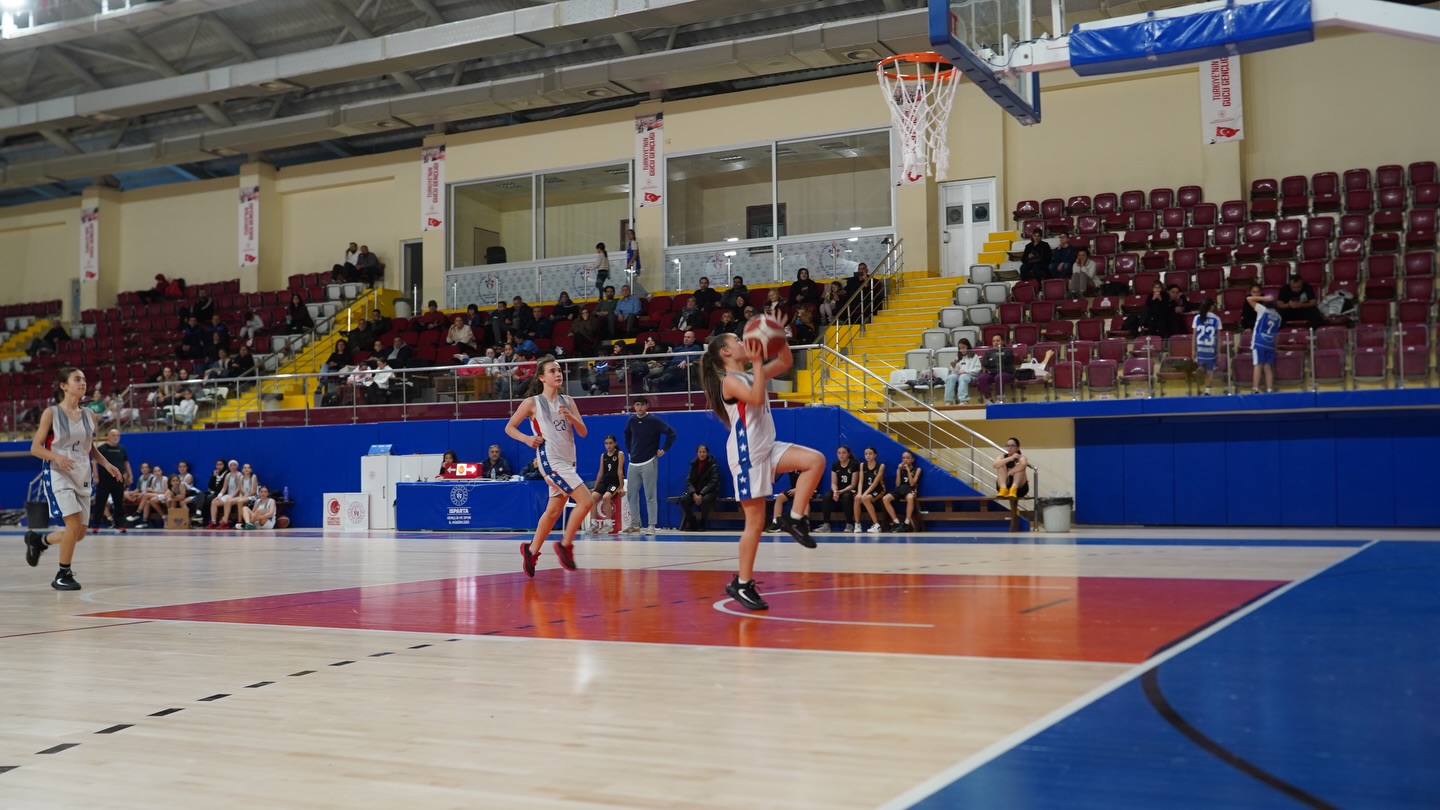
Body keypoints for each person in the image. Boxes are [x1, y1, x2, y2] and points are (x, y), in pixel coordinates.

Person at [699, 328, 825, 611]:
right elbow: (755, 399)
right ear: (726, 352)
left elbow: (784, 363)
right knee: (755, 523)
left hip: (767, 446)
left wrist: (778, 336)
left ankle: (793, 518)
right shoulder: (729, 381)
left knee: (815, 460)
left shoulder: (746, 375)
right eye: (738, 341)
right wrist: (757, 362)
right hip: (747, 456)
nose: (745, 343)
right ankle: (742, 583)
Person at [24, 368, 122, 591]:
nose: (83, 383)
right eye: (77, 379)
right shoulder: (51, 413)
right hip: (58, 473)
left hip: (82, 473)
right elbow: (35, 448)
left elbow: (89, 447)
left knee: (78, 534)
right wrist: (56, 456)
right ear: (63, 386)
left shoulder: (89, 415)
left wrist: (106, 464)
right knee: (73, 524)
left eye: (85, 379)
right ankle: (62, 574)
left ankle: (39, 541)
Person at [507, 355, 594, 577]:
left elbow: (583, 432)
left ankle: (531, 550)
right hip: (550, 461)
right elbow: (510, 427)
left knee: (554, 510)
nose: (558, 374)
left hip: (568, 460)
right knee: (586, 500)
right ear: (542, 377)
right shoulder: (532, 403)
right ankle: (565, 545)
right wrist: (527, 439)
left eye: (559, 370)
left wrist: (571, 418)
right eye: (552, 371)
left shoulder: (568, 401)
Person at [622, 396, 676, 534]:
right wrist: (630, 451)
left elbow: (671, 434)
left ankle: (652, 525)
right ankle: (635, 524)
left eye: (642, 405)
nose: (640, 407)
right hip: (633, 462)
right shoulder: (631, 420)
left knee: (650, 495)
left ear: (647, 406)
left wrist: (663, 450)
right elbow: (627, 435)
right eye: (637, 404)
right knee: (631, 494)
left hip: (648, 461)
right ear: (634, 406)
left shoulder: (654, 421)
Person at [90, 428, 132, 533]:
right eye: (113, 435)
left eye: (117, 435)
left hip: (118, 480)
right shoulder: (102, 448)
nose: (115, 437)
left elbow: (126, 463)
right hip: (104, 480)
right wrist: (95, 476)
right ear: (108, 436)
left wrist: (130, 475)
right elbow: (94, 461)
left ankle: (120, 525)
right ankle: (96, 524)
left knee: (119, 503)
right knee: (100, 502)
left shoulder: (122, 449)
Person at [678, 444, 720, 532]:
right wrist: (693, 493)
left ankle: (703, 524)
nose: (702, 454)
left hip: (710, 491)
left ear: (707, 453)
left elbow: (713, 483)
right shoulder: (693, 465)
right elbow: (689, 481)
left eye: (704, 452)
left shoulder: (713, 465)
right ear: (697, 453)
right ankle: (693, 524)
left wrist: (701, 494)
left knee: (705, 500)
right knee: (683, 500)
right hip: (695, 492)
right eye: (700, 452)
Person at [818, 445, 860, 533]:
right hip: (838, 489)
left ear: (848, 454)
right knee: (827, 496)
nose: (841, 455)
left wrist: (840, 492)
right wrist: (835, 491)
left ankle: (849, 524)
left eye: (844, 453)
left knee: (846, 497)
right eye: (839, 453)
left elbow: (853, 484)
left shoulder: (854, 464)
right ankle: (826, 525)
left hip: (850, 489)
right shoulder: (835, 464)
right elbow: (833, 483)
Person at [1247, 284, 1281, 394]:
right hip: (1270, 343)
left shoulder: (1263, 310)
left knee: (1258, 365)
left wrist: (1263, 298)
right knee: (1267, 367)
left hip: (1259, 341)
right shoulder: (1279, 317)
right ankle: (1270, 389)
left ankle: (1255, 389)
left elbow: (1249, 298)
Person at [589, 435, 626, 532]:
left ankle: (608, 524)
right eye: (606, 443)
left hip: (615, 483)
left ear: (615, 443)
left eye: (610, 443)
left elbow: (620, 471)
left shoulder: (619, 453)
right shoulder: (603, 456)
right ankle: (593, 523)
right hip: (606, 481)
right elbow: (600, 472)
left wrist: (621, 487)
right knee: (592, 497)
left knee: (605, 497)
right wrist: (595, 487)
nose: (608, 445)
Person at [882, 450, 922, 532]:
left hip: (909, 489)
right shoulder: (900, 469)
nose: (905, 460)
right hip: (900, 489)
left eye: (908, 458)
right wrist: (899, 471)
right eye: (903, 458)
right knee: (885, 499)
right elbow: (897, 484)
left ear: (912, 460)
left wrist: (908, 471)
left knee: (910, 498)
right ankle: (896, 522)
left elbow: (912, 484)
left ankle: (906, 523)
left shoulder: (917, 469)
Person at [1192, 298, 1221, 396]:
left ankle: (1201, 372)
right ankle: (1207, 390)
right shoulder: (1216, 319)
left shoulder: (1197, 318)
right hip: (1211, 347)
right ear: (1212, 307)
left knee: (1201, 365)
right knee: (1210, 369)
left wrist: (1193, 349)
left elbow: (1194, 336)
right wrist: (1218, 351)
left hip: (1200, 347)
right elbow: (1218, 337)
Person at [854, 446, 886, 533]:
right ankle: (857, 525)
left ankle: (876, 525)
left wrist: (865, 494)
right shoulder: (862, 465)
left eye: (870, 454)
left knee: (865, 498)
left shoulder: (881, 466)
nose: (868, 456)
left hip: (878, 489)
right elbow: (860, 481)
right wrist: (859, 493)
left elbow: (875, 483)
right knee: (857, 498)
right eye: (866, 454)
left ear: (875, 455)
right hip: (865, 488)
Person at [977, 334, 1016, 403]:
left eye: (998, 340)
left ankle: (999, 399)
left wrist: (991, 360)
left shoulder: (1008, 351)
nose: (995, 342)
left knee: (999, 377)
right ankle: (989, 399)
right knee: (982, 377)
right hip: (991, 373)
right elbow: (985, 363)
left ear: (1002, 341)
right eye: (993, 341)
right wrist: (994, 361)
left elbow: (1004, 360)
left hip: (1005, 372)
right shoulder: (988, 352)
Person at [944, 338, 982, 405]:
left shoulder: (974, 356)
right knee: (950, 377)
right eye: (960, 348)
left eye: (963, 347)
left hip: (971, 375)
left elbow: (978, 369)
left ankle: (963, 400)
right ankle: (949, 400)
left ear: (968, 346)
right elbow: (955, 371)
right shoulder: (958, 357)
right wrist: (954, 366)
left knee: (963, 377)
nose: (962, 350)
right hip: (959, 375)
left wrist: (966, 372)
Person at [207, 459, 242, 529]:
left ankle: (225, 522)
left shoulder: (239, 475)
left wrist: (232, 496)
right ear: (229, 466)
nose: (232, 467)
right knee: (214, 502)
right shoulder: (228, 475)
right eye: (231, 465)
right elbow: (224, 488)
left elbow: (239, 488)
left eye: (234, 465)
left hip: (237, 495)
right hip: (229, 495)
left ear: (237, 466)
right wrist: (219, 496)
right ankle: (213, 522)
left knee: (227, 502)